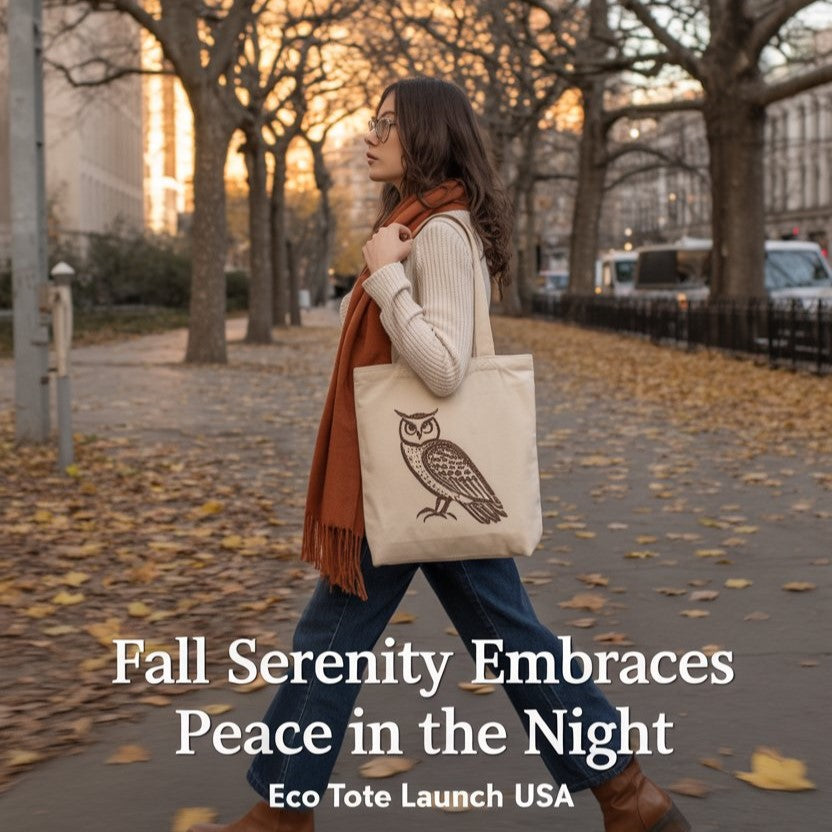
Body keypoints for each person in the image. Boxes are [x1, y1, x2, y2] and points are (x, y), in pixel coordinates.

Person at [190, 77, 690, 832]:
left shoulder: (443, 233)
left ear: (425, 136)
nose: (371, 135)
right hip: (411, 475)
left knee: (354, 637)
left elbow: (445, 367)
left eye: (387, 124)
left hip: (423, 470)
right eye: (372, 121)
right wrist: (390, 261)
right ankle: (626, 794)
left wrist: (389, 276)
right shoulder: (413, 224)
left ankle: (283, 815)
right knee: (477, 636)